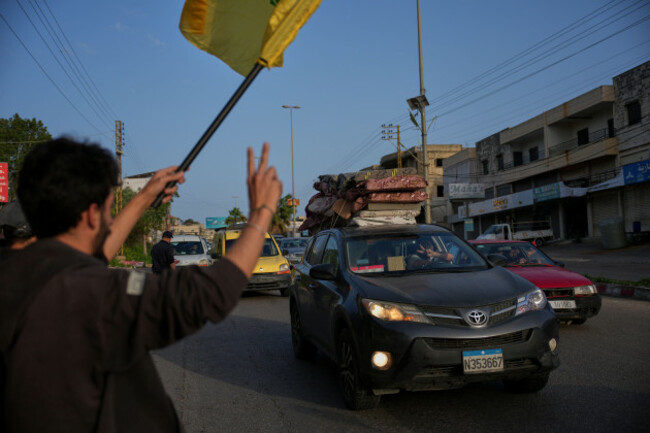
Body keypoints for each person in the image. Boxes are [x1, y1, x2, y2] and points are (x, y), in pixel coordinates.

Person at [0, 137, 282, 432]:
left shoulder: (19, 273)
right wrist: (260, 216)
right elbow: (210, 291)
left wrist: (145, 196)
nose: (110, 220)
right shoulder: (95, 294)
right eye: (109, 209)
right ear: (92, 215)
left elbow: (84, 257)